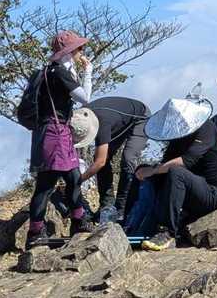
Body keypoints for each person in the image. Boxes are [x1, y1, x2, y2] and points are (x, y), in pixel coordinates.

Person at [24, 31, 98, 250]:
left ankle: (78, 220)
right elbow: (85, 98)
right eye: (79, 48)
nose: (81, 52)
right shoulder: (60, 73)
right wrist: (89, 72)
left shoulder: (51, 71)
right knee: (46, 183)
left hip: (52, 131)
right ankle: (35, 231)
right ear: (70, 51)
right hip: (55, 132)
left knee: (73, 177)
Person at [135, 92, 217, 251]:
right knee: (143, 171)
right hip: (187, 190)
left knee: (175, 172)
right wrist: (145, 172)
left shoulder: (206, 129)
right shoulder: (179, 135)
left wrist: (152, 171)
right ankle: (132, 222)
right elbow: (165, 163)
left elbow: (184, 162)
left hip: (210, 193)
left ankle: (167, 233)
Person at [78, 95, 150, 223]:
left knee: (128, 159)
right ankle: (107, 206)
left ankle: (122, 208)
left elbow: (100, 162)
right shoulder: (78, 117)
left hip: (140, 117)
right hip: (117, 119)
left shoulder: (101, 124)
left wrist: (78, 180)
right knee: (102, 156)